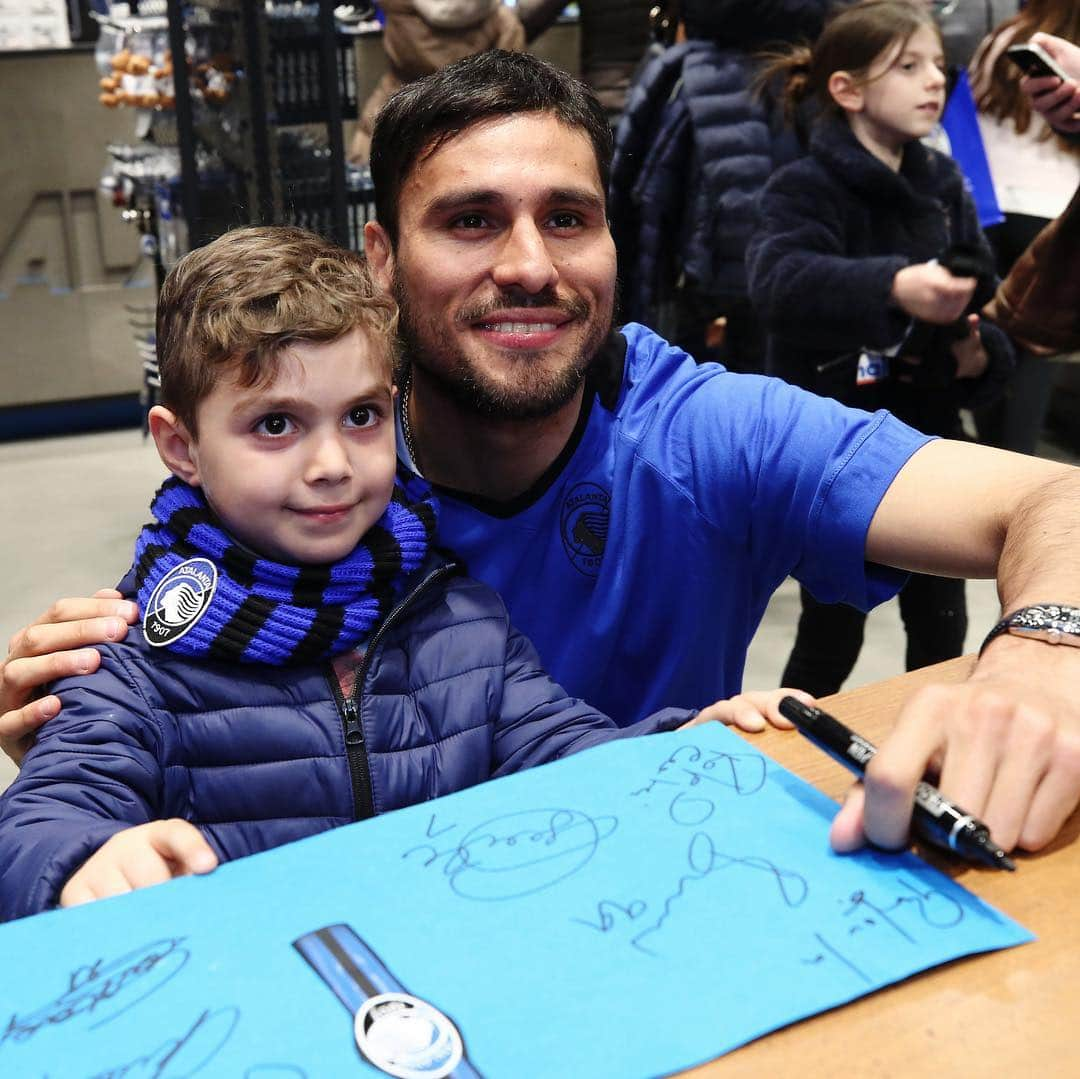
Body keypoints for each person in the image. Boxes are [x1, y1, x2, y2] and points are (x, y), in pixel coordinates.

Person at [3, 49, 1080, 864]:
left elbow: (1050, 500)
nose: (529, 265)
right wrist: (82, 774)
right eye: (470, 220)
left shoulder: (702, 430)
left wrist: (1044, 655)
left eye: (568, 216)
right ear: (380, 258)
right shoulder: (299, 487)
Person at [0, 226, 797, 921]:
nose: (331, 464)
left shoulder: (449, 610)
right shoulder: (133, 655)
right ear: (181, 447)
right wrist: (78, 864)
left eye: (361, 416)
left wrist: (678, 746)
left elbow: (565, 748)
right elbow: (44, 817)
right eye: (274, 424)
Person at [745, 1, 1014, 698]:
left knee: (942, 626)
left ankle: (934, 754)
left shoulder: (943, 183)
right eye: (909, 66)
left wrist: (977, 351)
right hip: (839, 447)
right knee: (830, 630)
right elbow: (779, 283)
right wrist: (893, 284)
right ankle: (795, 751)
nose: (935, 82)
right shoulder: (803, 186)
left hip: (931, 442)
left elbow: (981, 292)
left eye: (939, 67)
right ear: (848, 89)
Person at [609, 0, 829, 373]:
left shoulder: (678, 77)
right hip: (791, 67)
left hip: (719, 71)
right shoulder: (820, 81)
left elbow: (634, 212)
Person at [968, 1, 1080, 454]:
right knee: (1033, 364)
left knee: (985, 353)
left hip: (991, 210)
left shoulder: (1005, 39)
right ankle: (1017, 464)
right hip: (1054, 215)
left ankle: (991, 465)